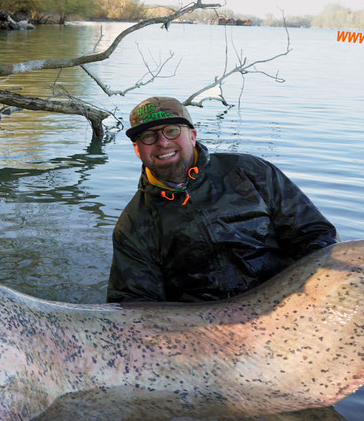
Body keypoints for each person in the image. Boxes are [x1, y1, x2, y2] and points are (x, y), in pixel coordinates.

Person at [108, 96, 337, 303]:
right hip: (205, 331)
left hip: (288, 303)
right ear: (137, 149)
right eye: (148, 136)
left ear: (192, 135)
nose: (162, 142)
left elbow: (316, 236)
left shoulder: (251, 172)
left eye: (171, 131)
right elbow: (135, 303)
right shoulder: (132, 225)